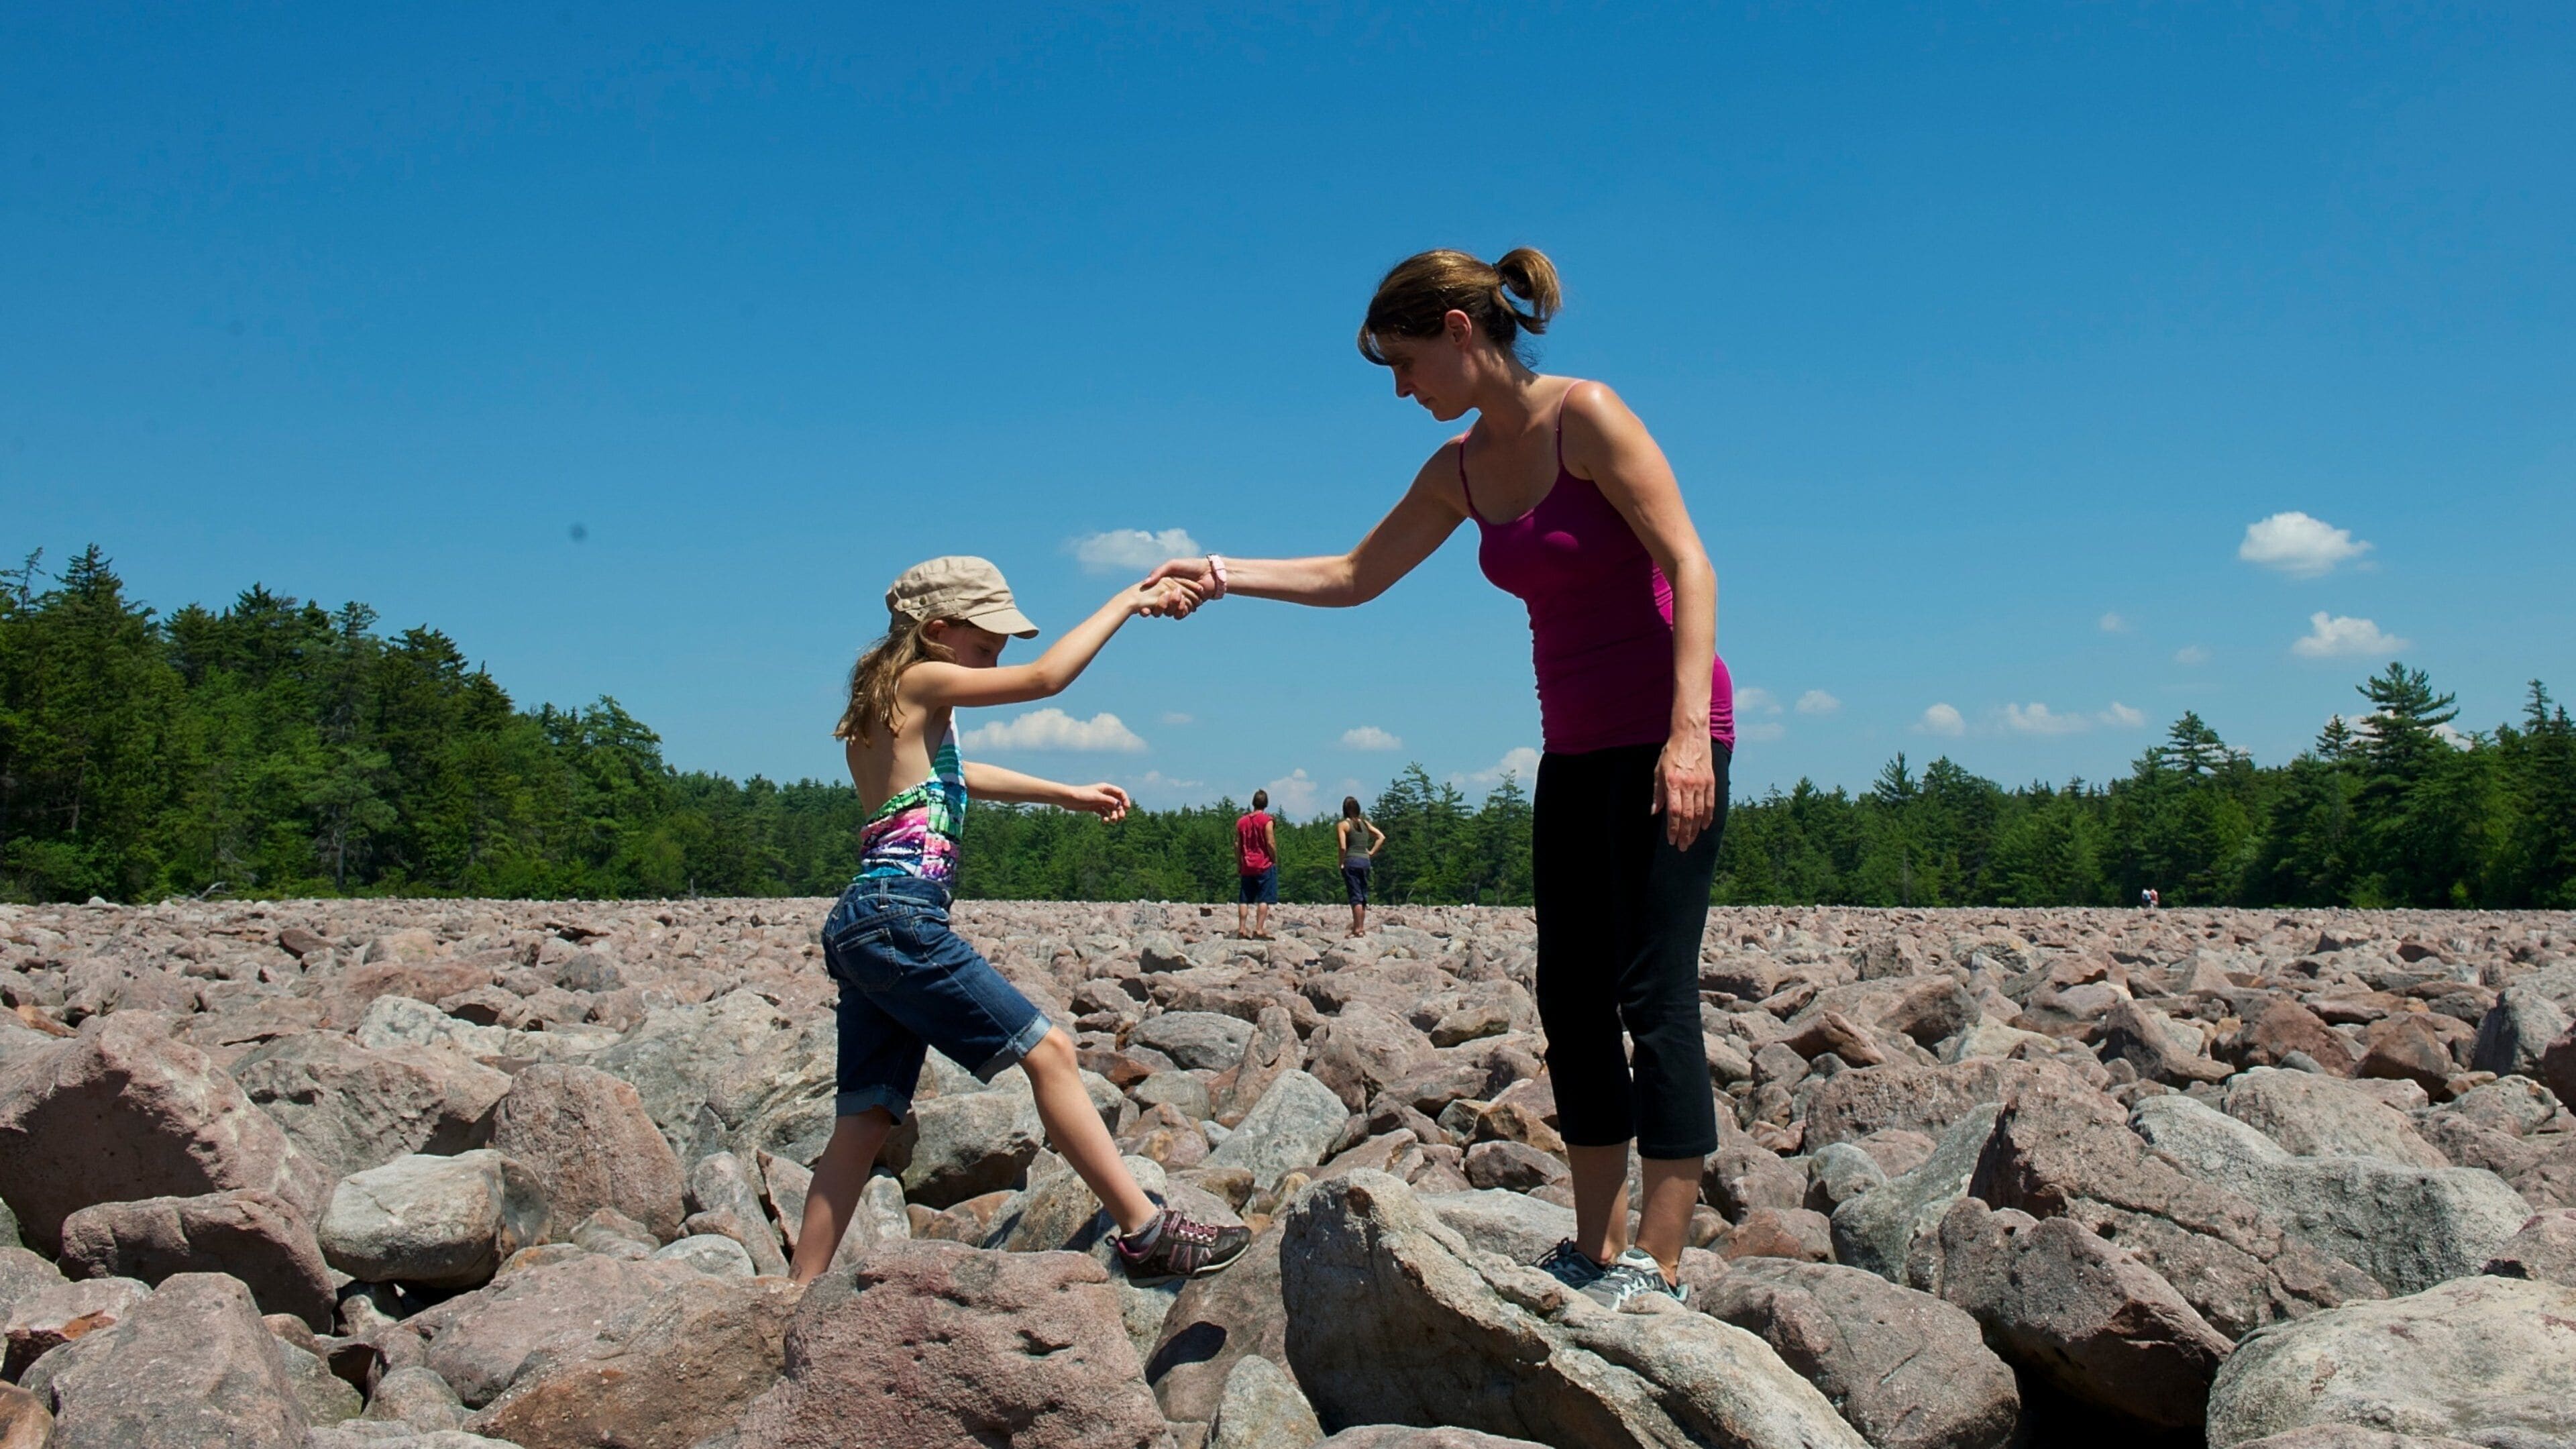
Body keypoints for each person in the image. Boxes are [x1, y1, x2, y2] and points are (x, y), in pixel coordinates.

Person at [1148, 248, 1735, 1309]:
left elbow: (1691, 563)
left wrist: (1688, 739)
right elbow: (1354, 574)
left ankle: (1661, 1264)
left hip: (1669, 736)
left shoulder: (1588, 416)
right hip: (1573, 749)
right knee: (1570, 993)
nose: (1400, 389)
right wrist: (1222, 574)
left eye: (1405, 363)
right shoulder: (1458, 470)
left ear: (1462, 331)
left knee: (1652, 989)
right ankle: (1594, 1247)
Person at [794, 555, 1248, 1285]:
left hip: (861, 924)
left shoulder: (884, 710)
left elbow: (961, 776)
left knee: (865, 1119)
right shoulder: (922, 680)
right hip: (901, 917)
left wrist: (1064, 793)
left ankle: (794, 1293)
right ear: (937, 631)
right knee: (1051, 1053)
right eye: (985, 646)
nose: (995, 663)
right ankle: (1148, 1231)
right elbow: (1046, 679)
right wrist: (1127, 602)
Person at [1336, 795, 1387, 937]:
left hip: (1351, 861)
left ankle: (1357, 929)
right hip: (1365, 861)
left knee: (1355, 896)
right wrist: (1371, 852)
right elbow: (1381, 837)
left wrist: (1341, 862)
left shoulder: (1343, 825)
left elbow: (1343, 847)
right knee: (1363, 895)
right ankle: (1361, 927)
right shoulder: (1365, 823)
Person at [1234, 788, 1279, 939]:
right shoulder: (1267, 821)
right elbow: (1270, 842)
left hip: (1247, 864)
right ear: (1266, 804)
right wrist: (1274, 858)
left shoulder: (1241, 822)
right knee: (1264, 899)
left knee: (1244, 899)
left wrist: (1239, 862)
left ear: (1253, 803)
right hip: (1264, 864)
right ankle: (1258, 929)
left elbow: (1237, 844)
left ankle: (1241, 928)